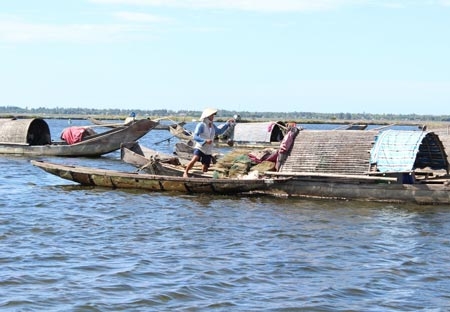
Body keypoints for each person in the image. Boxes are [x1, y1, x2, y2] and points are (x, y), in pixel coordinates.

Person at [183, 108, 235, 177]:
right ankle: (186, 172)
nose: (213, 117)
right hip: (200, 147)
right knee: (195, 158)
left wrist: (227, 123)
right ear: (207, 116)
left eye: (213, 115)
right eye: (212, 115)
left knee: (205, 166)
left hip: (208, 150)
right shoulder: (201, 125)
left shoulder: (212, 125)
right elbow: (195, 136)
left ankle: (202, 177)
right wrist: (205, 141)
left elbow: (219, 131)